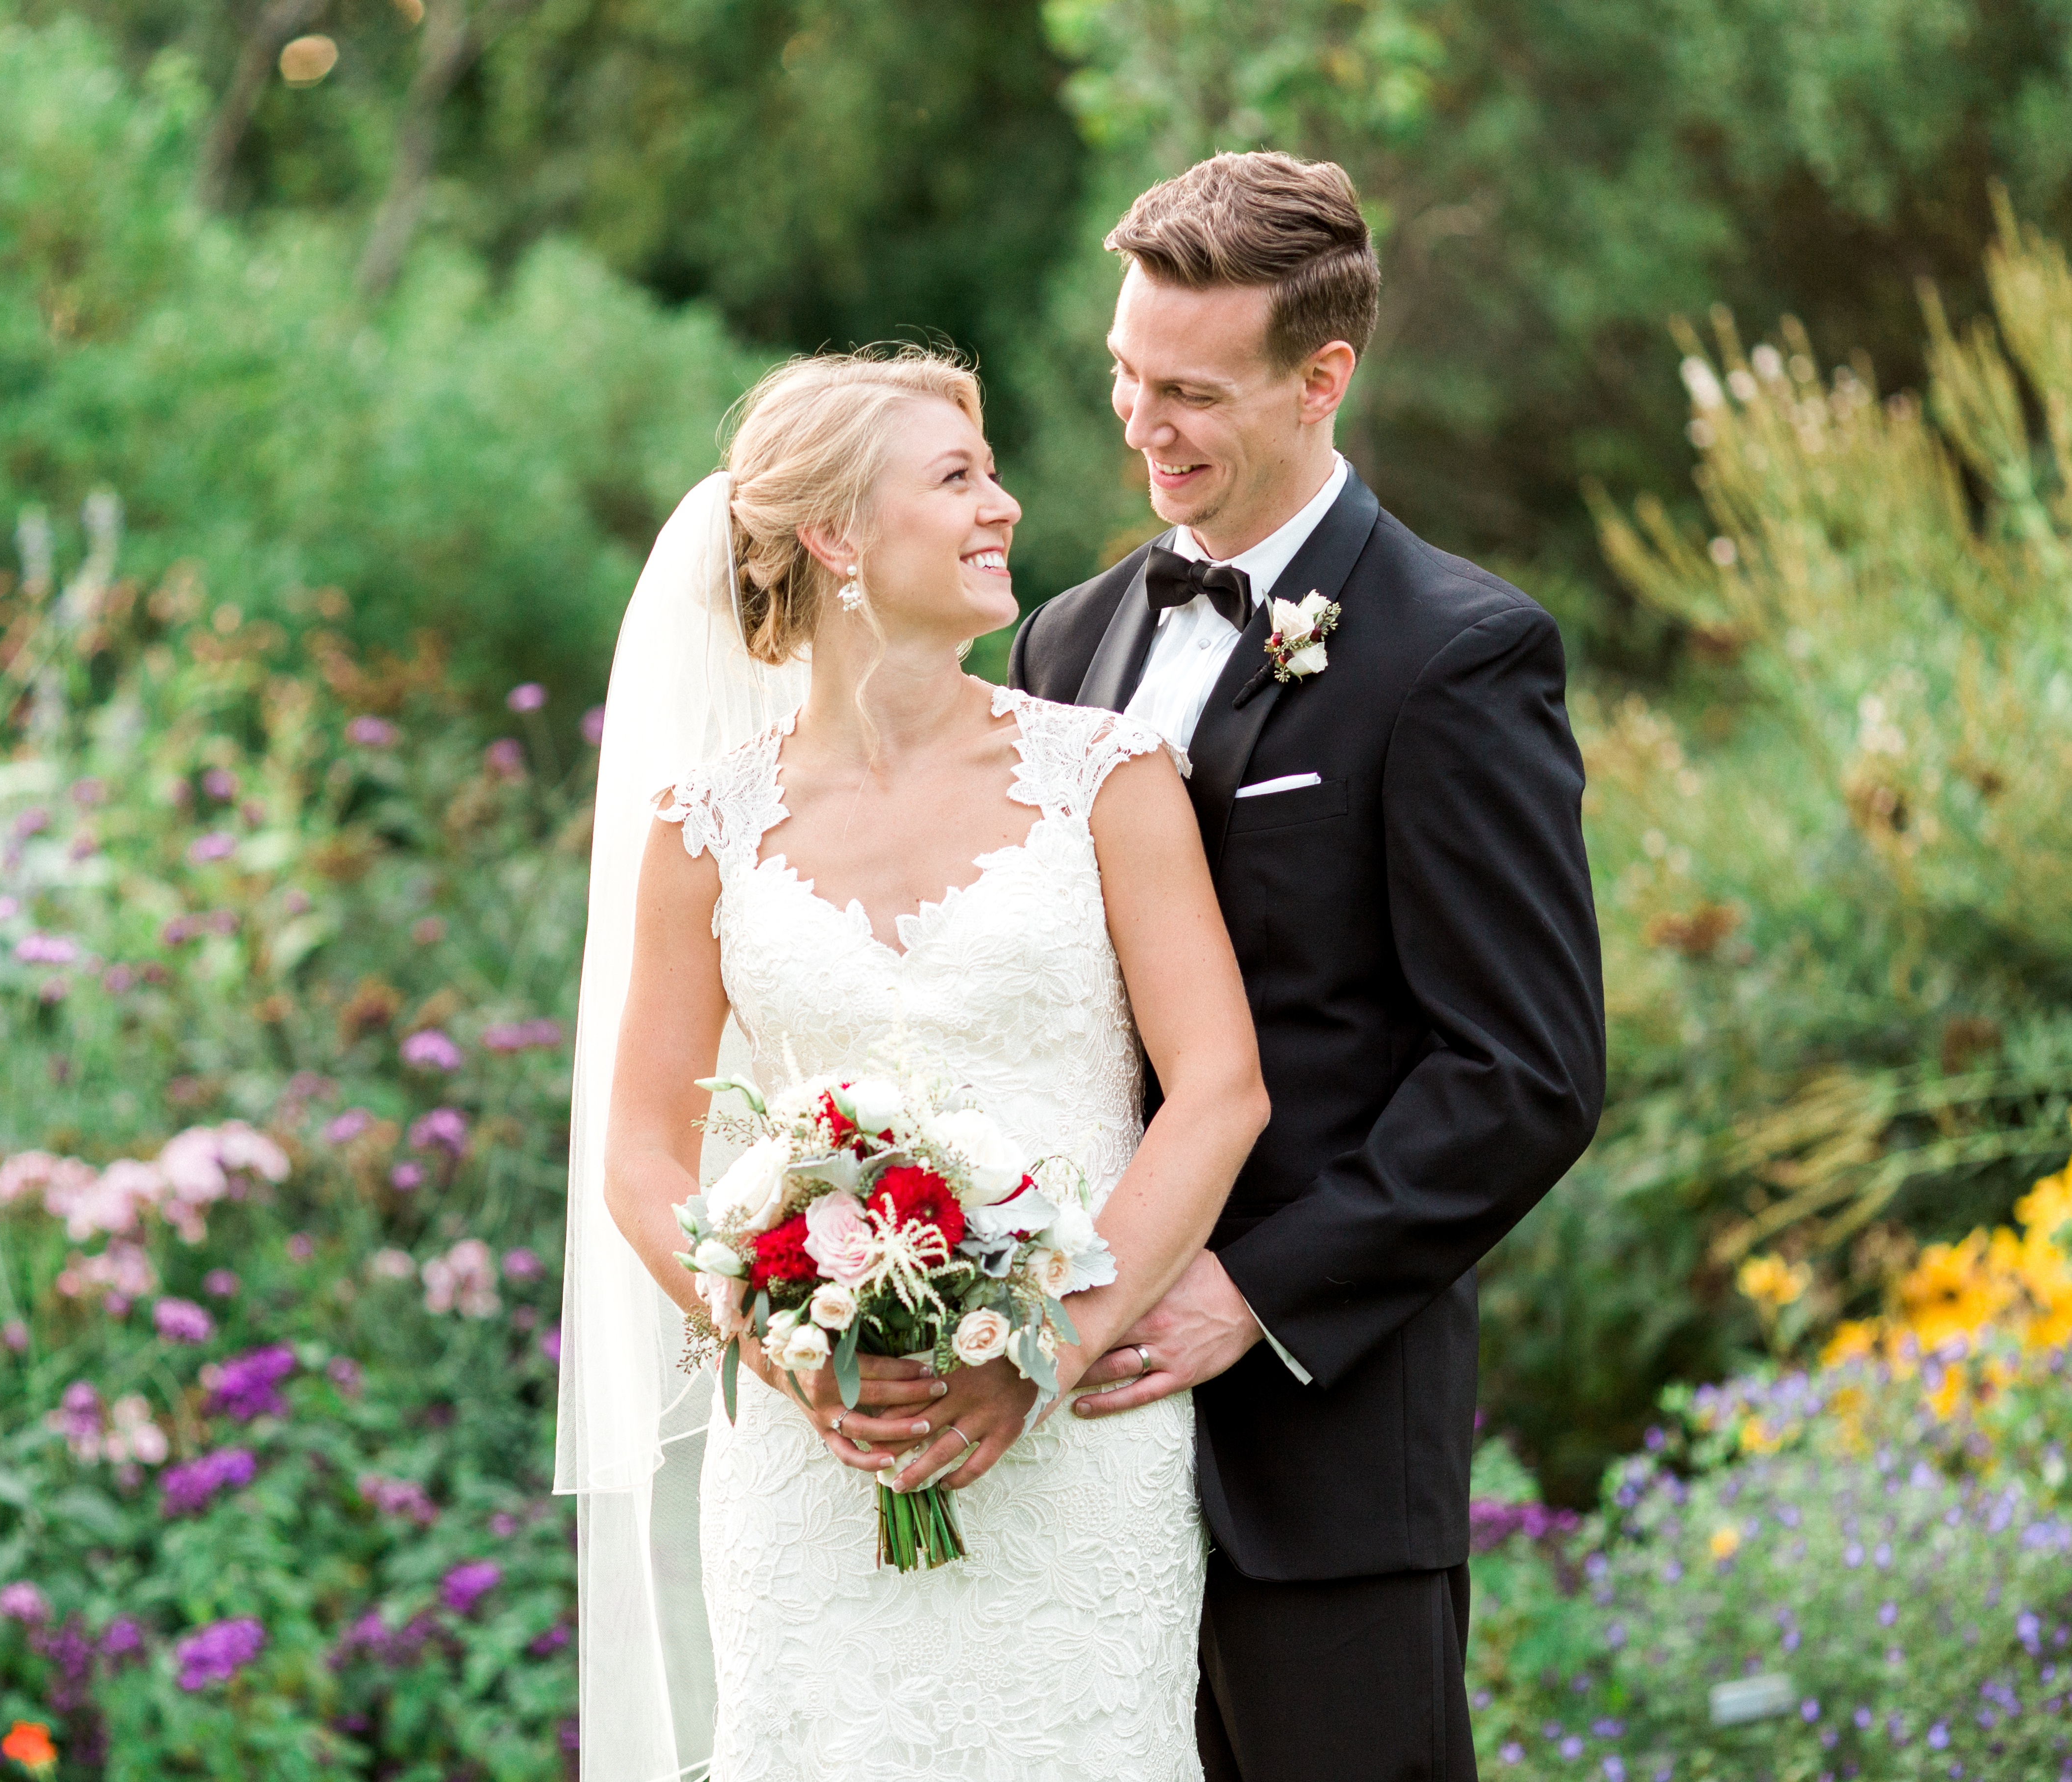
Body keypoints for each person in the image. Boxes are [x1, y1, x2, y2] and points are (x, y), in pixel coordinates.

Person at [557, 345, 1268, 1780]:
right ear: (833, 536)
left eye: (988, 472)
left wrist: (1044, 1352)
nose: (1001, 505)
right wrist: (777, 1341)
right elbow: (639, 1149)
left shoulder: (1106, 777)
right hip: (817, 1459)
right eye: (957, 478)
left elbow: (1219, 1089)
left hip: (1075, 1449)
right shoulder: (704, 826)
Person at [1008, 151, 1606, 1781]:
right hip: (1066, 1430)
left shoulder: (1457, 653)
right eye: (1125, 375)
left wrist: (1249, 1296)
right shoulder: (1063, 641)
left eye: (1192, 391)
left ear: (1320, 378)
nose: (1142, 424)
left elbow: (1524, 1075)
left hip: (1321, 1442)